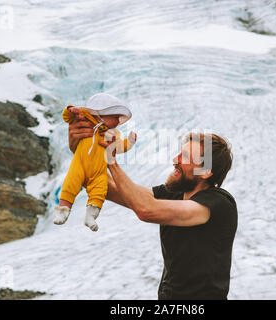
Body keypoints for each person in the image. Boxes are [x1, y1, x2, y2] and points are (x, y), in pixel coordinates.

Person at [68, 111, 238, 300]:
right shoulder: (172, 195)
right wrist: (82, 150)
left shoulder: (219, 204)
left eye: (186, 157)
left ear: (205, 171)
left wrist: (112, 162)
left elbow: (146, 210)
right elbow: (109, 188)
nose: (175, 159)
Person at [53, 93, 137, 231]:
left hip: (99, 171)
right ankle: (63, 211)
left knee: (99, 191)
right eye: (115, 117)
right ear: (102, 113)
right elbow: (67, 117)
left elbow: (120, 147)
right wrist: (70, 110)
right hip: (79, 164)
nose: (118, 121)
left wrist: (131, 142)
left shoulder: (113, 134)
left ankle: (90, 216)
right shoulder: (83, 121)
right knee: (70, 184)